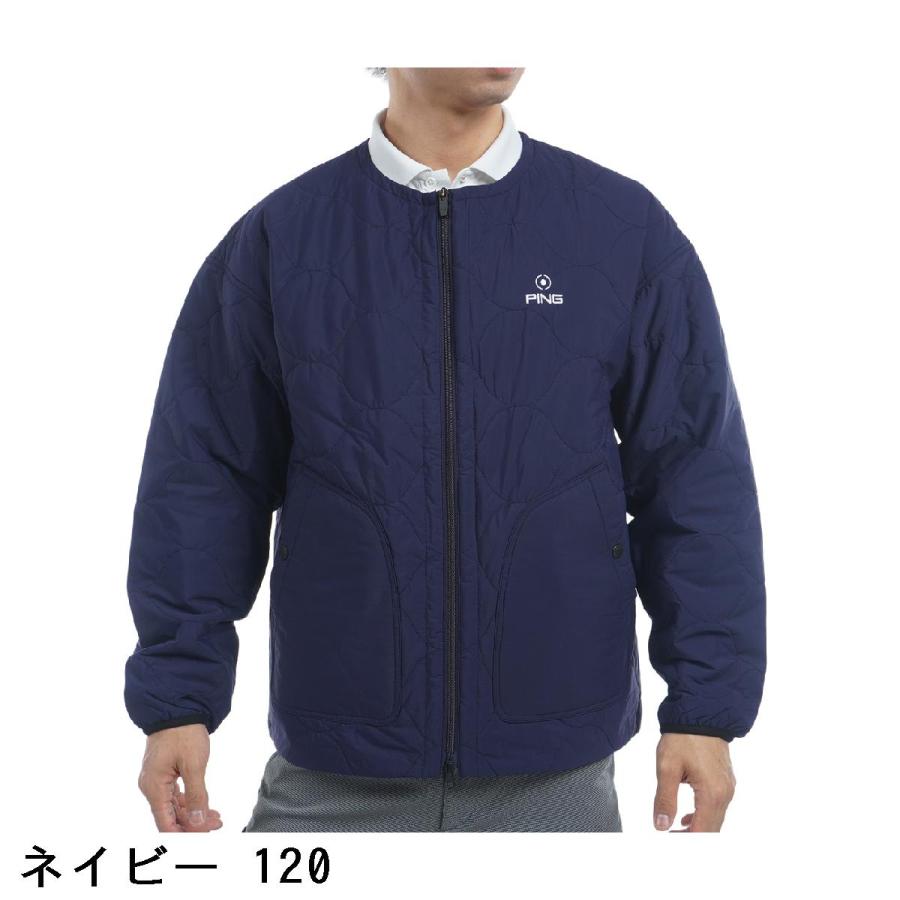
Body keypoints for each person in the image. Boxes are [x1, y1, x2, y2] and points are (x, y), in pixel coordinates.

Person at [125, 67, 766, 833]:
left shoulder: (619, 227)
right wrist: (178, 700)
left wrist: (703, 709)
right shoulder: (284, 236)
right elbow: (204, 478)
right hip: (337, 759)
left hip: (554, 764)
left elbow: (694, 477)